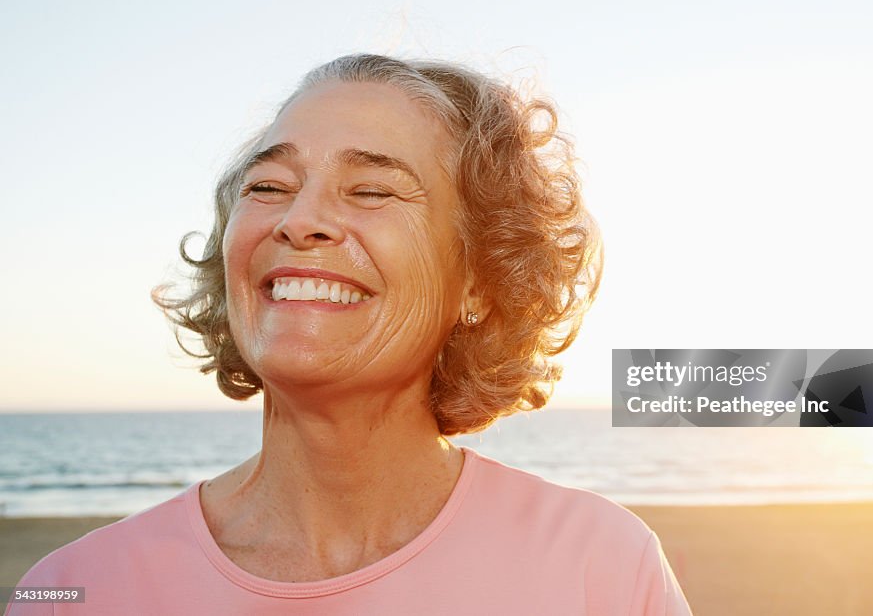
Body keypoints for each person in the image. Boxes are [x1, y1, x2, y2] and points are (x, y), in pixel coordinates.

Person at [6, 54, 692, 615]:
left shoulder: (601, 568)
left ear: (481, 280)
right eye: (269, 186)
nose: (300, 219)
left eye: (371, 190)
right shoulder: (76, 591)